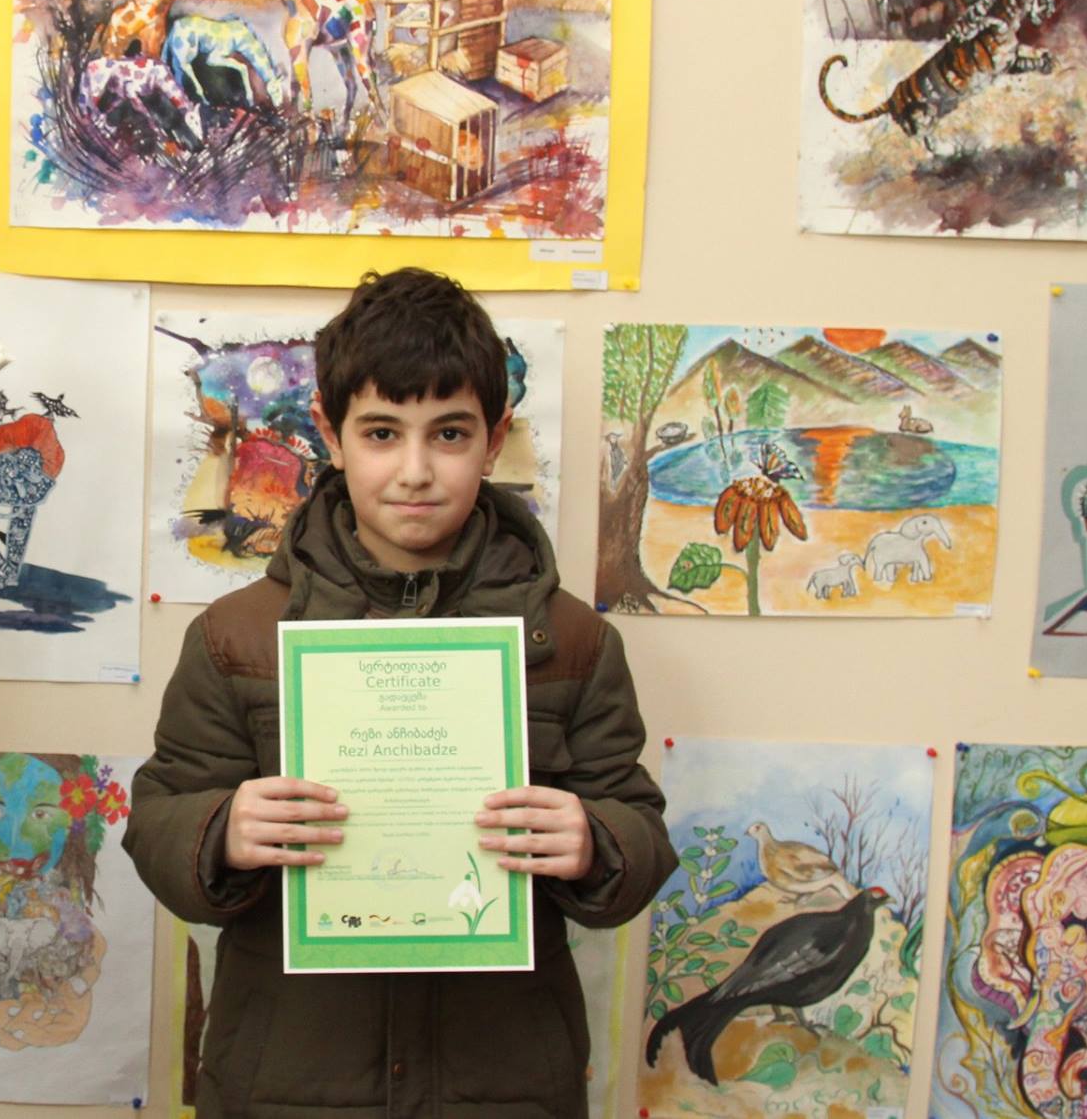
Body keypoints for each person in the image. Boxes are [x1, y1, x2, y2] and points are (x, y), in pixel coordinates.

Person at [123, 267, 676, 1119]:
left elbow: (637, 826)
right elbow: (159, 814)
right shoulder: (237, 637)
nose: (415, 471)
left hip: (503, 1087)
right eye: (382, 433)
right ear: (330, 434)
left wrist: (596, 840)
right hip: (289, 1085)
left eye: (449, 434)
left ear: (494, 439)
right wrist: (219, 830)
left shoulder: (572, 639)